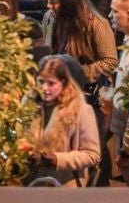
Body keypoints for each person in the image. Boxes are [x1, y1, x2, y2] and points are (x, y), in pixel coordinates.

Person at [31, 54, 102, 187]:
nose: (44, 88)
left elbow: (92, 154)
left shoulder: (81, 110)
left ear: (64, 83)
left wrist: (58, 159)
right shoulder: (30, 107)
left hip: (64, 182)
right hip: (32, 178)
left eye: (51, 83)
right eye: (41, 82)